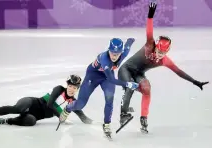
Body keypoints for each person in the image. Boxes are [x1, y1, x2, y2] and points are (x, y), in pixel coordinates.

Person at [118, 2, 209, 133]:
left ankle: (144, 118)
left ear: (167, 52)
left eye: (163, 53)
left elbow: (179, 72)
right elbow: (149, 32)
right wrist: (150, 16)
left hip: (138, 74)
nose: (160, 54)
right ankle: (123, 115)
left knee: (147, 89)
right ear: (156, 46)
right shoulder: (150, 45)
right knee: (131, 86)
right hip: (125, 70)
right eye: (159, 51)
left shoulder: (165, 61)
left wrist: (195, 82)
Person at [58, 38, 139, 137]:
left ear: (121, 52)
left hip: (106, 77)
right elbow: (112, 80)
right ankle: (68, 108)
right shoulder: (104, 59)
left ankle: (107, 124)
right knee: (80, 104)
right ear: (108, 50)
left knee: (109, 99)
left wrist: (130, 40)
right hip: (93, 76)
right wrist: (128, 84)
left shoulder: (123, 53)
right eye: (112, 53)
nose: (114, 56)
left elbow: (127, 46)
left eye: (117, 54)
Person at [0, 75, 93, 126]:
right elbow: (50, 104)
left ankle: (6, 121)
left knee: (31, 122)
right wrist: (61, 117)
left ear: (77, 89)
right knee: (18, 108)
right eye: (70, 86)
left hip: (34, 115)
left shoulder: (73, 102)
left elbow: (81, 114)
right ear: (67, 85)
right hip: (31, 102)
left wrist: (91, 122)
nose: (72, 89)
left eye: (75, 88)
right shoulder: (59, 89)